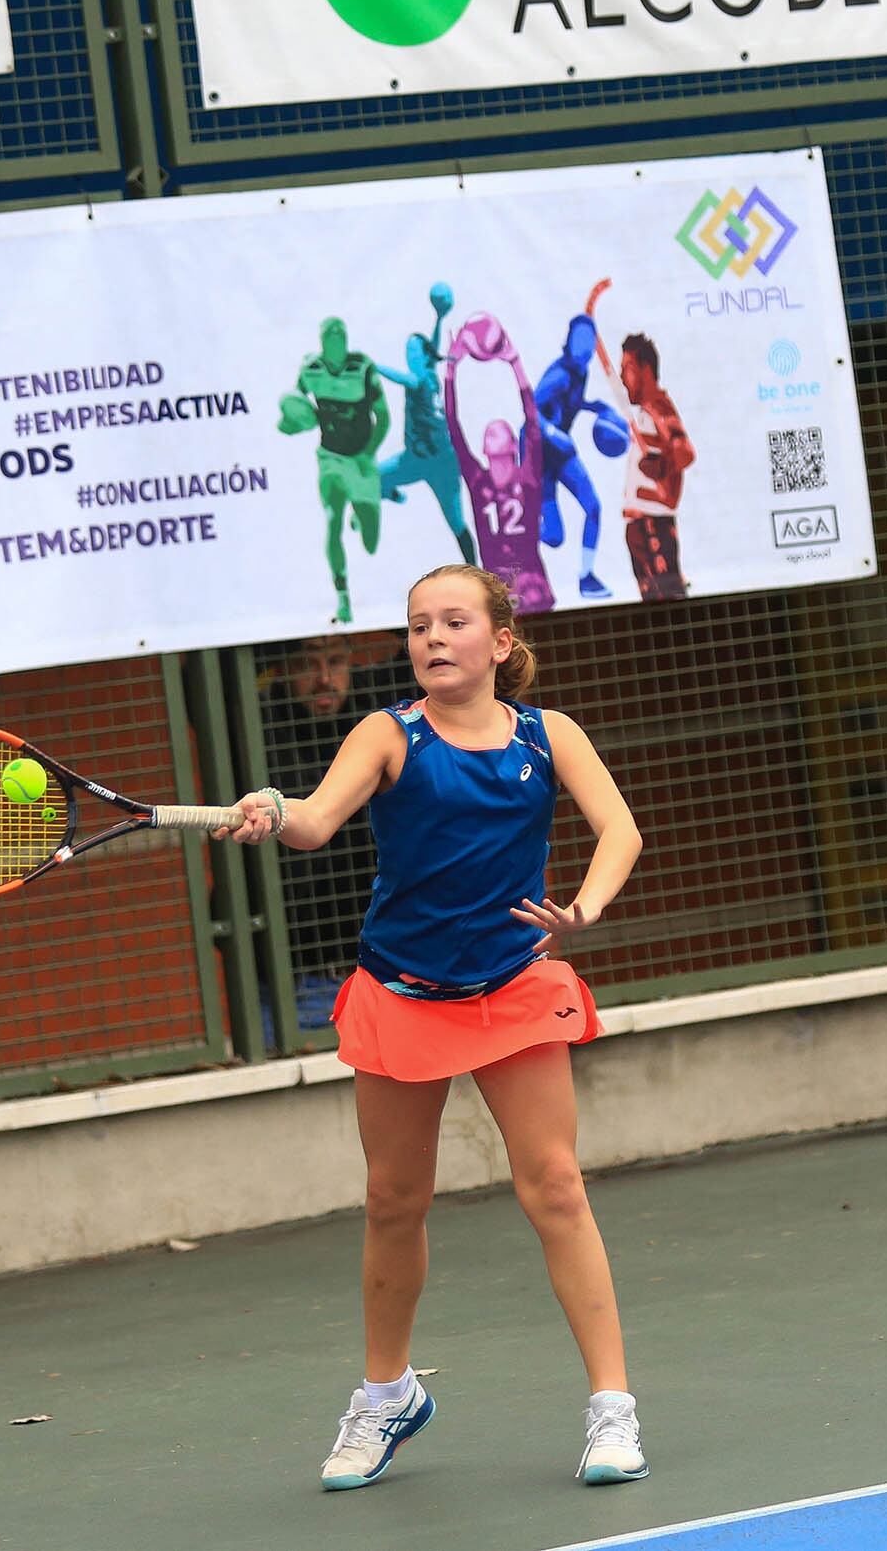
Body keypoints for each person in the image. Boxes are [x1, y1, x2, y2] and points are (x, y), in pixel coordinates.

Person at [222, 563, 649, 1492]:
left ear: (499, 641)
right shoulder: (387, 734)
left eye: (453, 622)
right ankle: (386, 1396)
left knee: (557, 1188)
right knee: (392, 1201)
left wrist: (584, 907)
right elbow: (317, 822)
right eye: (418, 625)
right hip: (403, 992)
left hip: (511, 985)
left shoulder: (549, 735)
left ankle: (611, 1409)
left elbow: (619, 830)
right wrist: (274, 807)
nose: (432, 638)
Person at [255, 632, 404, 1023]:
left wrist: (333, 607)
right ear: (280, 668)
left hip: (380, 970)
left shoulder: (375, 706)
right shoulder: (254, 716)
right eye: (307, 665)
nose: (324, 678)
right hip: (292, 980)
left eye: (336, 662)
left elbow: (419, 644)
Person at [278, 318, 390, 626]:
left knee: (370, 541)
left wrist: (369, 453)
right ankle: (342, 595)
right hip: (330, 459)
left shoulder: (364, 368)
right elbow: (295, 410)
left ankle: (361, 510)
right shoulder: (310, 369)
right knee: (332, 521)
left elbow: (383, 417)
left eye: (341, 335)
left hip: (361, 460)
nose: (336, 341)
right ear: (322, 342)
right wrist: (290, 422)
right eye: (330, 336)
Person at [440, 315, 553, 615]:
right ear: (485, 448)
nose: (492, 430)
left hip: (531, 577)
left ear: (511, 445)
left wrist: (515, 363)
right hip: (495, 581)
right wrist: (451, 367)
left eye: (500, 429)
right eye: (489, 431)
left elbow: (532, 422)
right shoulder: (478, 482)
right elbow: (452, 424)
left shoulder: (527, 477)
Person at [375, 283, 478, 566]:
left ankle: (476, 571)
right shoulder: (429, 373)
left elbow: (405, 378)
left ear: (423, 356)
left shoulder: (420, 379)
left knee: (456, 522)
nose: (410, 356)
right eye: (407, 352)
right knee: (372, 478)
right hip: (417, 459)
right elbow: (431, 348)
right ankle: (392, 493)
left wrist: (374, 366)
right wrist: (439, 318)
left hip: (441, 463)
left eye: (414, 352)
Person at [531, 309, 627, 602]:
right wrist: (551, 432)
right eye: (580, 339)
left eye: (590, 341)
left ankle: (587, 577)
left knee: (593, 507)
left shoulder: (581, 372)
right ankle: (524, 531)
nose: (585, 346)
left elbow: (568, 404)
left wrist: (592, 406)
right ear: (569, 340)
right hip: (538, 455)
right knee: (555, 537)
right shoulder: (558, 375)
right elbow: (530, 410)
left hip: (562, 453)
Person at [614, 333, 695, 602]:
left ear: (645, 370)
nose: (623, 377)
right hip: (641, 525)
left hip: (653, 525)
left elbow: (684, 453)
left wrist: (660, 468)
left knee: (666, 599)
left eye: (628, 369)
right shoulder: (646, 412)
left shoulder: (659, 407)